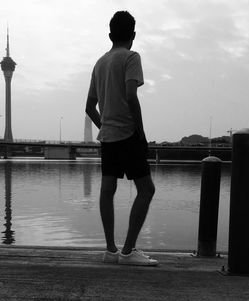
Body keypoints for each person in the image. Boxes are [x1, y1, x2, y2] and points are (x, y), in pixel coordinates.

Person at [85, 11, 157, 266]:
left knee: (107, 190)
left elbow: (89, 107)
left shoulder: (100, 63)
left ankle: (110, 250)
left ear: (110, 35)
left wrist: (104, 125)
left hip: (108, 137)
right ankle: (128, 251)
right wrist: (141, 132)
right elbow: (130, 95)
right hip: (128, 133)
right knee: (146, 189)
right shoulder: (131, 57)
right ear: (133, 36)